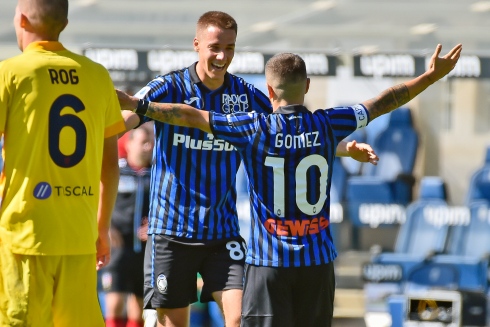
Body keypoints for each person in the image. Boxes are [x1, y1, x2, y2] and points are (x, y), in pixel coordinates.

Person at [117, 43, 462, 326]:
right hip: (318, 264)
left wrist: (141, 105)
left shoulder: (253, 128)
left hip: (270, 265)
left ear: (268, 91)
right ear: (307, 86)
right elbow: (385, 101)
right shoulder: (329, 124)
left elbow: (189, 115)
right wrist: (430, 77)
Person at [121, 10, 379, 327]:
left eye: (229, 48)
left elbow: (292, 133)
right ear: (197, 44)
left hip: (222, 232)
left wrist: (344, 148)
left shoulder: (246, 95)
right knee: (173, 323)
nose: (222, 56)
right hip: (172, 233)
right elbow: (125, 119)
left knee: (240, 317)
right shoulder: (169, 87)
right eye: (215, 47)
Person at [0, 0, 126, 326]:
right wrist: (100, 229)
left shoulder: (10, 73)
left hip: (25, 235)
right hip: (79, 236)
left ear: (22, 20)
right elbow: (110, 165)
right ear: (65, 23)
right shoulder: (97, 76)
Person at [101, 124, 154, 327]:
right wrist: (105, 226)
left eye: (150, 143)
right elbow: (98, 199)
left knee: (138, 310)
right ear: (130, 144)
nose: (148, 147)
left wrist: (154, 227)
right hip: (117, 251)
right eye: (143, 142)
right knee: (114, 305)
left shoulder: (157, 174)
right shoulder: (116, 172)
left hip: (144, 252)